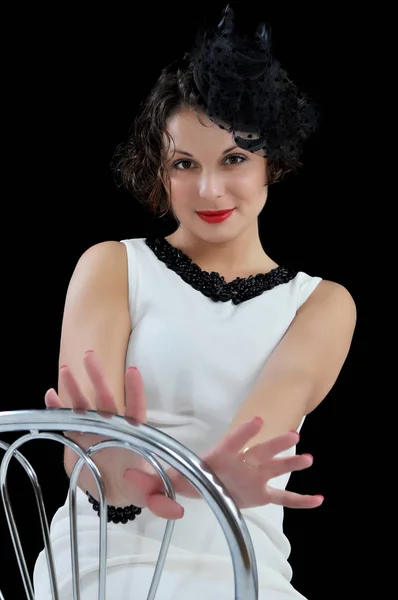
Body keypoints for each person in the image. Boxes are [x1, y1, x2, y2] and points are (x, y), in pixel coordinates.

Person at [33, 6, 356, 599]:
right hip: (110, 563)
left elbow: (251, 447)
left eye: (234, 159)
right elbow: (92, 464)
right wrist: (113, 473)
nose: (209, 190)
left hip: (242, 564)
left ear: (271, 164)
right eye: (185, 164)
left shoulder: (321, 304)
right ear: (161, 169)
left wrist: (154, 468)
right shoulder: (112, 266)